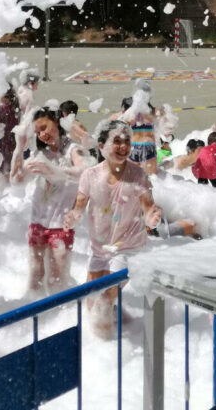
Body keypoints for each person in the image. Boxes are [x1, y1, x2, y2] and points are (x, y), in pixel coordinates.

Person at [64, 120, 162, 337]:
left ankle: (107, 345)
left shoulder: (138, 175)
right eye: (116, 141)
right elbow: (79, 207)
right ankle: (103, 340)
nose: (123, 146)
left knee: (105, 297)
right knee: (91, 299)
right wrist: (73, 217)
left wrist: (151, 218)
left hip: (128, 248)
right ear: (101, 146)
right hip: (99, 248)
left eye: (127, 141)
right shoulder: (90, 175)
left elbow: (148, 206)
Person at [20, 107, 90, 293]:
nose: (42, 135)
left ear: (56, 122)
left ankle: (59, 317)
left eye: (44, 127)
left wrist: (54, 171)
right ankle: (34, 316)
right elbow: (16, 179)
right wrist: (19, 147)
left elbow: (85, 171)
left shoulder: (73, 150)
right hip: (38, 222)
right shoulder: (40, 153)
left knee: (56, 280)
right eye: (37, 132)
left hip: (61, 224)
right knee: (34, 278)